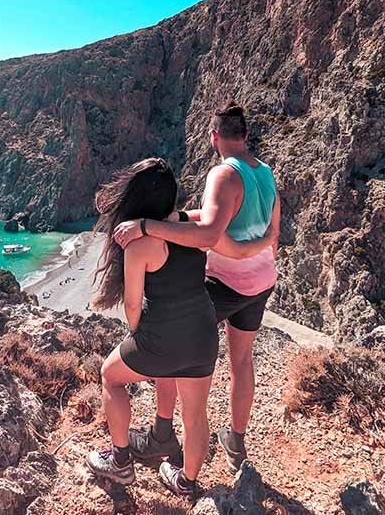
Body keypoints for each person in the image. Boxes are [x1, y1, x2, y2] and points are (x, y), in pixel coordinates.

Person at [85, 157, 272, 498]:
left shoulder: (138, 244)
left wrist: (140, 333)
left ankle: (121, 462)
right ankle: (186, 481)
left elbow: (131, 304)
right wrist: (266, 239)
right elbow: (219, 230)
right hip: (202, 333)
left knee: (111, 377)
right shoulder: (194, 227)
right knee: (196, 414)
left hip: (160, 337)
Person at [113, 102, 280, 473]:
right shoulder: (267, 173)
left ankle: (162, 433)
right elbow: (274, 237)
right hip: (261, 281)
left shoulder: (222, 174)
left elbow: (206, 235)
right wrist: (255, 249)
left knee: (177, 344)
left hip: (222, 284)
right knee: (241, 361)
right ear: (247, 135)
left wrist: (145, 226)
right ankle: (235, 441)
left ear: (214, 137)